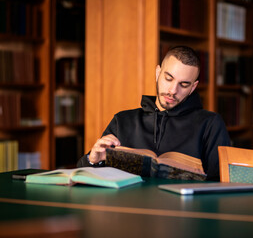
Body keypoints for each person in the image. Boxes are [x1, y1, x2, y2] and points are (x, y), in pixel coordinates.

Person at [77, 46, 231, 181]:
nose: (172, 91)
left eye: (184, 85)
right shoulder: (123, 120)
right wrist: (92, 160)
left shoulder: (210, 124)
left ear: (193, 87)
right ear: (158, 73)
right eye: (168, 78)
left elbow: (221, 183)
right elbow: (84, 175)